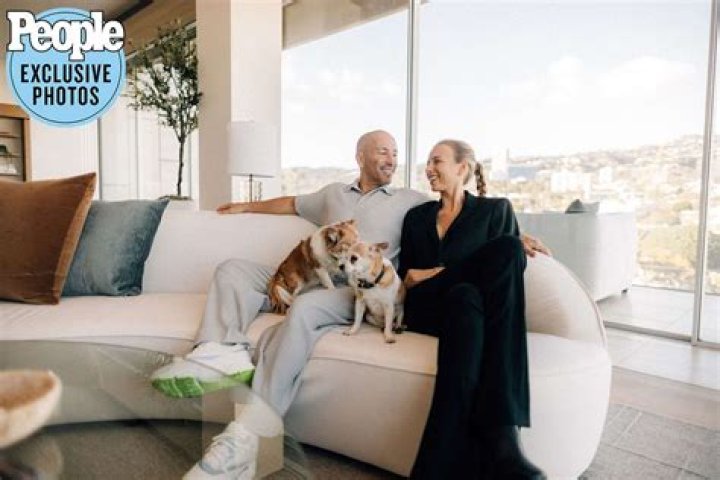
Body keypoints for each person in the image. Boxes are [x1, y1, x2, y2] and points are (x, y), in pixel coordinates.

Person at [151, 130, 549, 479]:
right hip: (359, 287)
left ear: (462, 167)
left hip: (362, 291)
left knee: (465, 294)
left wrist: (515, 238)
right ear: (360, 156)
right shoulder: (365, 202)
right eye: (383, 151)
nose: (396, 160)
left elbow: (479, 242)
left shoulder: (415, 201)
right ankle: (219, 349)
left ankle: (249, 435)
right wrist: (243, 205)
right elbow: (293, 204)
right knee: (232, 270)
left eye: (398, 153)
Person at [399, 139, 545, 479]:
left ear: (462, 168)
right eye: (428, 162)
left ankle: (435, 468)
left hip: (465, 309)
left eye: (437, 161)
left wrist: (437, 272)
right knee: (505, 251)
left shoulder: (495, 210)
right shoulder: (416, 217)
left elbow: (503, 280)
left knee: (467, 294)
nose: (428, 169)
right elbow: (407, 277)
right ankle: (503, 440)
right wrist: (420, 276)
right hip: (425, 308)